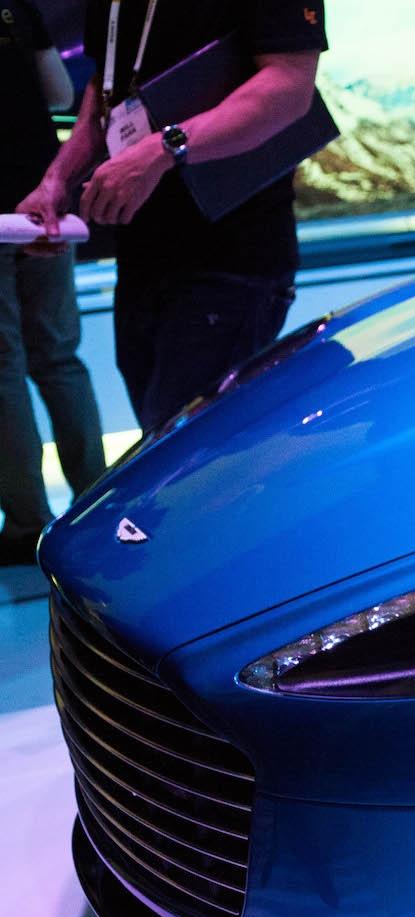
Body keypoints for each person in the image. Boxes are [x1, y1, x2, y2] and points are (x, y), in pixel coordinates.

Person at [17, 1, 329, 433]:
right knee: (161, 434)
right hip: (142, 252)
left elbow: (290, 84)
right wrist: (59, 179)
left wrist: (164, 149)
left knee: (195, 451)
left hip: (230, 256)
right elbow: (107, 84)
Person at [0, 0, 105, 567]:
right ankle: (97, 505)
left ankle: (27, 524)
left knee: (2, 367)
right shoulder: (17, 7)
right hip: (43, 200)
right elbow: (62, 95)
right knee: (59, 357)